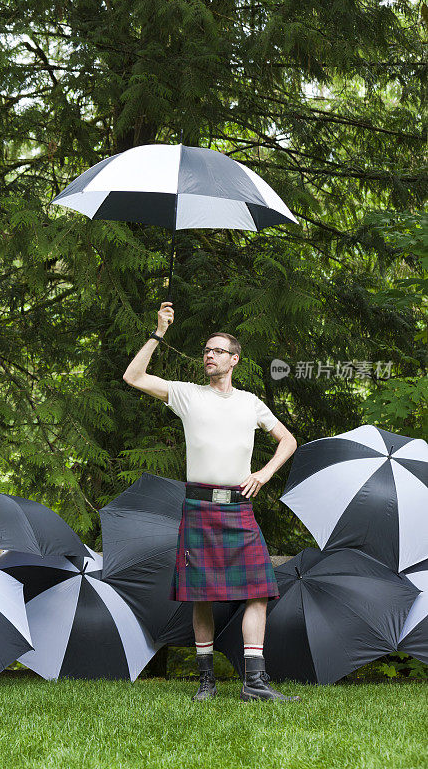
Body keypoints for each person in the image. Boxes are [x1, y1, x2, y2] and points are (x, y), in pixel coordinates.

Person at [122, 301, 300, 703]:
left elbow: (287, 440)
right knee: (200, 594)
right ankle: (206, 681)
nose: (209, 355)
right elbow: (132, 376)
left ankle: (255, 682)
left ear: (234, 360)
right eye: (206, 350)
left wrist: (265, 473)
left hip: (239, 507)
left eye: (218, 350)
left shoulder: (251, 402)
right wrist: (159, 331)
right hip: (199, 506)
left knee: (258, 591)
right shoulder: (186, 395)